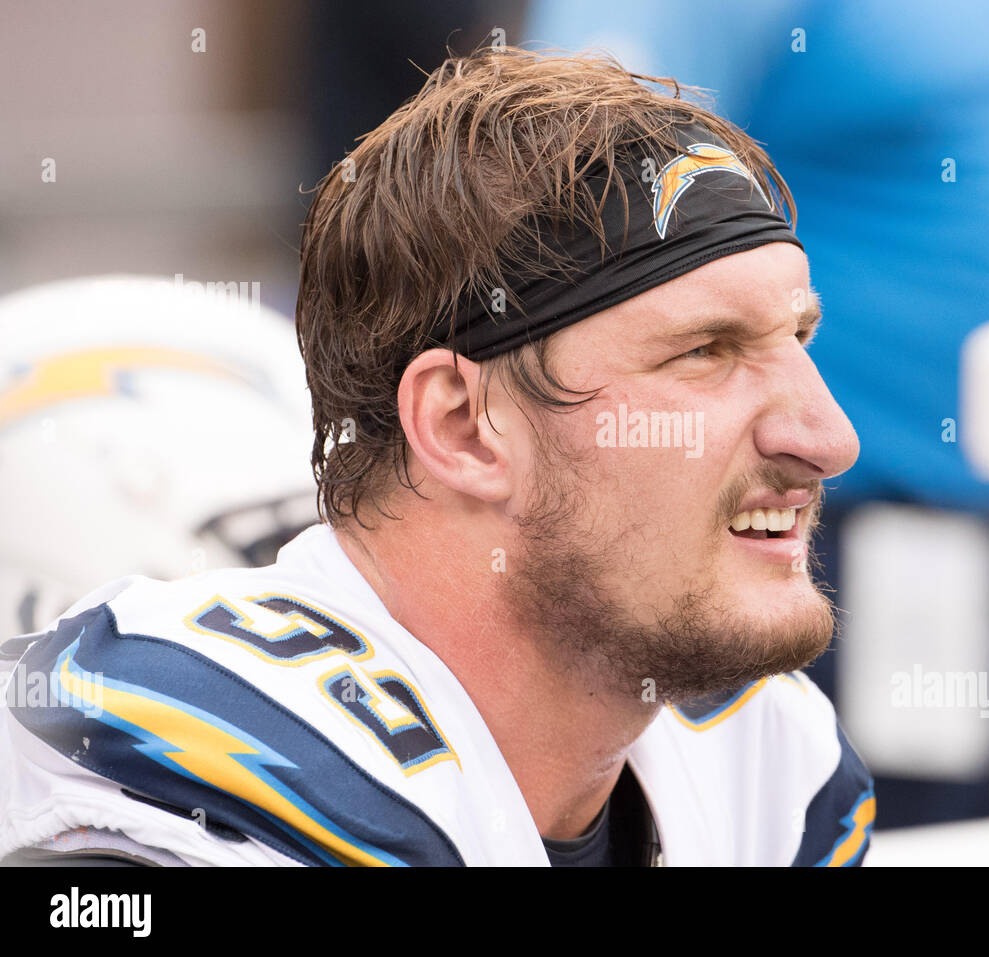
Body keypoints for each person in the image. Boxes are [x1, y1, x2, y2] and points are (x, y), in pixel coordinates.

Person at [0, 46, 874, 866]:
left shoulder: (762, 763)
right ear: (461, 426)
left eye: (798, 338)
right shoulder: (200, 783)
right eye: (704, 351)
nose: (829, 438)